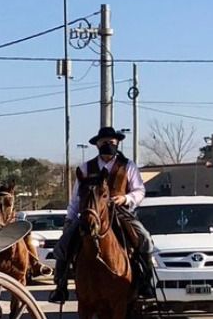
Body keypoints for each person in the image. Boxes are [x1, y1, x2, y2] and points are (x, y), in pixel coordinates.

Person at [49, 126, 156, 304]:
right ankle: (60, 286)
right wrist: (70, 218)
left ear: (117, 144)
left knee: (144, 238)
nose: (108, 145)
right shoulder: (85, 167)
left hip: (119, 211)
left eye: (112, 143)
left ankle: (145, 282)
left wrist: (126, 198)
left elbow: (139, 190)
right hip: (90, 212)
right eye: (104, 142)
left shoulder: (128, 166)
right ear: (97, 144)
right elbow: (76, 198)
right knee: (63, 244)